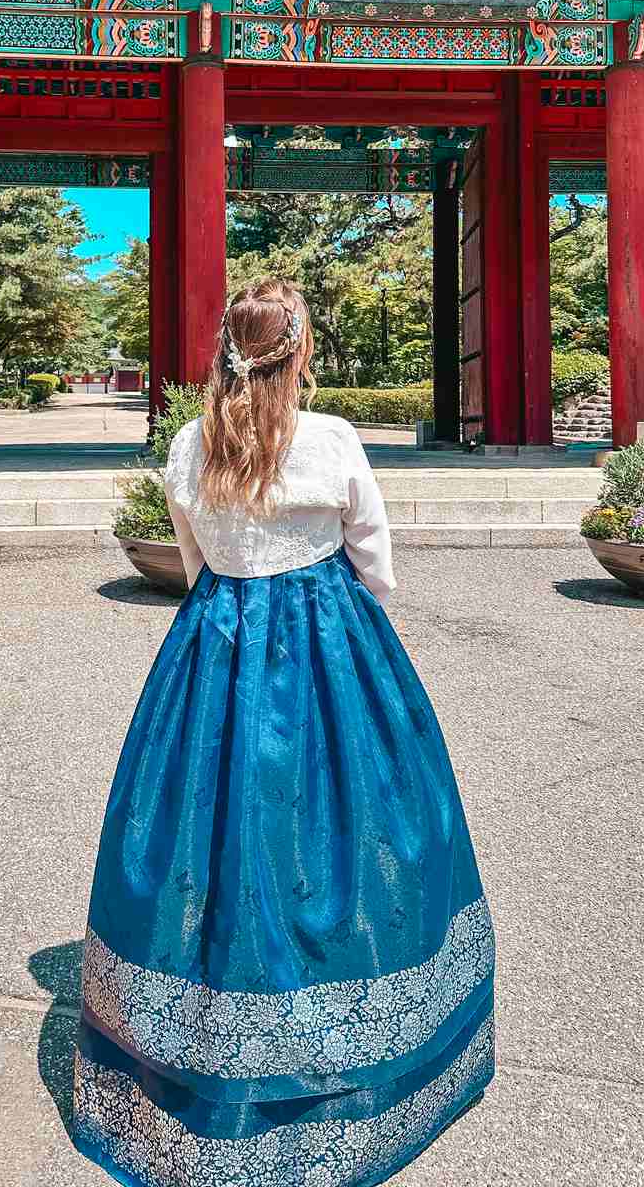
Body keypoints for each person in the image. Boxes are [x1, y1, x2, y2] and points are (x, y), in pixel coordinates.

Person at [73, 278, 495, 1187]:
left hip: (216, 645)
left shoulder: (191, 444)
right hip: (327, 642)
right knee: (358, 821)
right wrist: (366, 652)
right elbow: (373, 557)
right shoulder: (332, 438)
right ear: (299, 353)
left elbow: (194, 564)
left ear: (228, 350)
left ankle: (208, 1028)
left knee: (215, 828)